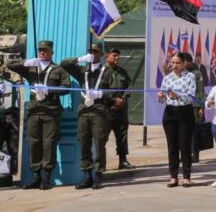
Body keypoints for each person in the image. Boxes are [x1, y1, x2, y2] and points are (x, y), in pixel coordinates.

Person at [59, 43, 124, 190]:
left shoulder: (107, 72)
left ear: (100, 55)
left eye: (95, 52)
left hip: (99, 112)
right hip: (84, 112)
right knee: (84, 142)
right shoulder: (83, 71)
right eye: (91, 52)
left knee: (99, 143)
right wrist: (80, 59)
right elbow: (64, 64)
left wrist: (100, 93)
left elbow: (115, 91)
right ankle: (87, 175)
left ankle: (98, 175)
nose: (93, 54)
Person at [8, 40, 70, 190]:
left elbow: (67, 88)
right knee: (34, 143)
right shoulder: (31, 67)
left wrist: (49, 89)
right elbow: (10, 64)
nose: (42, 52)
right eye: (40, 50)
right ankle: (36, 177)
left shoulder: (58, 69)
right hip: (34, 111)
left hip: (51, 111)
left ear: (51, 52)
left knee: (49, 144)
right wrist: (27, 62)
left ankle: (46, 178)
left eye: (45, 50)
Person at [157, 52, 198, 187]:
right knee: (172, 146)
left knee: (185, 146)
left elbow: (191, 96)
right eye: (172, 62)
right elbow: (163, 98)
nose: (174, 65)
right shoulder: (167, 78)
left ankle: (186, 176)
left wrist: (177, 96)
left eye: (178, 63)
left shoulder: (190, 76)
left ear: (184, 63)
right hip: (170, 113)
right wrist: (161, 97)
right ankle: (173, 176)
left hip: (185, 112)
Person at [103, 47, 134, 169]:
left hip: (121, 109)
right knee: (102, 136)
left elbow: (129, 86)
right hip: (107, 109)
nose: (117, 58)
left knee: (122, 135)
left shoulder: (122, 72)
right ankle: (100, 163)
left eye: (118, 56)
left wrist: (122, 99)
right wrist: (113, 100)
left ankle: (123, 160)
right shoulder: (102, 72)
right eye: (114, 55)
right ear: (106, 56)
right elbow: (100, 89)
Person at [181, 52, 206, 163]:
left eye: (186, 61)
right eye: (183, 61)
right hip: (184, 105)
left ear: (190, 62)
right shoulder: (181, 74)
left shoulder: (197, 73)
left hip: (195, 106)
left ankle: (195, 154)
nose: (184, 63)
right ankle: (185, 154)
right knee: (184, 131)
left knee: (194, 131)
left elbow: (200, 91)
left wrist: (201, 107)